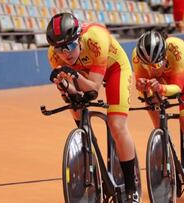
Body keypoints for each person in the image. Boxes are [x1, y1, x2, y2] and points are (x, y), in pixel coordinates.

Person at [46, 12, 139, 202]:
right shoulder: (54, 56)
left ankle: (132, 187)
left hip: (114, 69)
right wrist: (65, 86)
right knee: (78, 114)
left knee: (117, 125)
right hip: (81, 72)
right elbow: (73, 92)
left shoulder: (96, 39)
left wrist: (72, 75)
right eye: (60, 49)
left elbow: (94, 89)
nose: (66, 54)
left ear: (79, 39)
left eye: (70, 46)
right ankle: (89, 153)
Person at [132, 31, 184, 201]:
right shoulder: (137, 57)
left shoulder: (176, 49)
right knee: (151, 105)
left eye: (156, 63)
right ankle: (164, 140)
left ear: (164, 54)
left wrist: (160, 88)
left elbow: (177, 88)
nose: (152, 68)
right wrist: (143, 85)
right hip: (163, 78)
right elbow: (143, 88)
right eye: (148, 65)